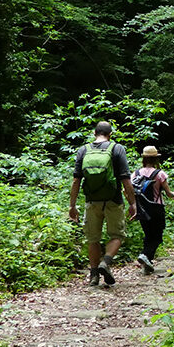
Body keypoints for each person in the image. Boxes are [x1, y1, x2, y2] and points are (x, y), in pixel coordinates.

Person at [69, 121, 136, 287]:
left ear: (94, 133)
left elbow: (76, 180)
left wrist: (72, 205)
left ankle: (93, 275)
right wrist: (133, 203)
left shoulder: (84, 150)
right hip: (113, 200)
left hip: (91, 201)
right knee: (117, 235)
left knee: (93, 239)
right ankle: (105, 263)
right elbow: (125, 179)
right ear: (110, 134)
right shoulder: (117, 149)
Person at [133, 145, 174, 275]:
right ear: (156, 159)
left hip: (141, 209)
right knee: (157, 237)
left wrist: (132, 204)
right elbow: (168, 193)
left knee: (148, 235)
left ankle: (147, 263)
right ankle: (145, 255)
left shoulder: (135, 173)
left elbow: (127, 190)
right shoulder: (160, 174)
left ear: (144, 158)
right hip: (157, 207)